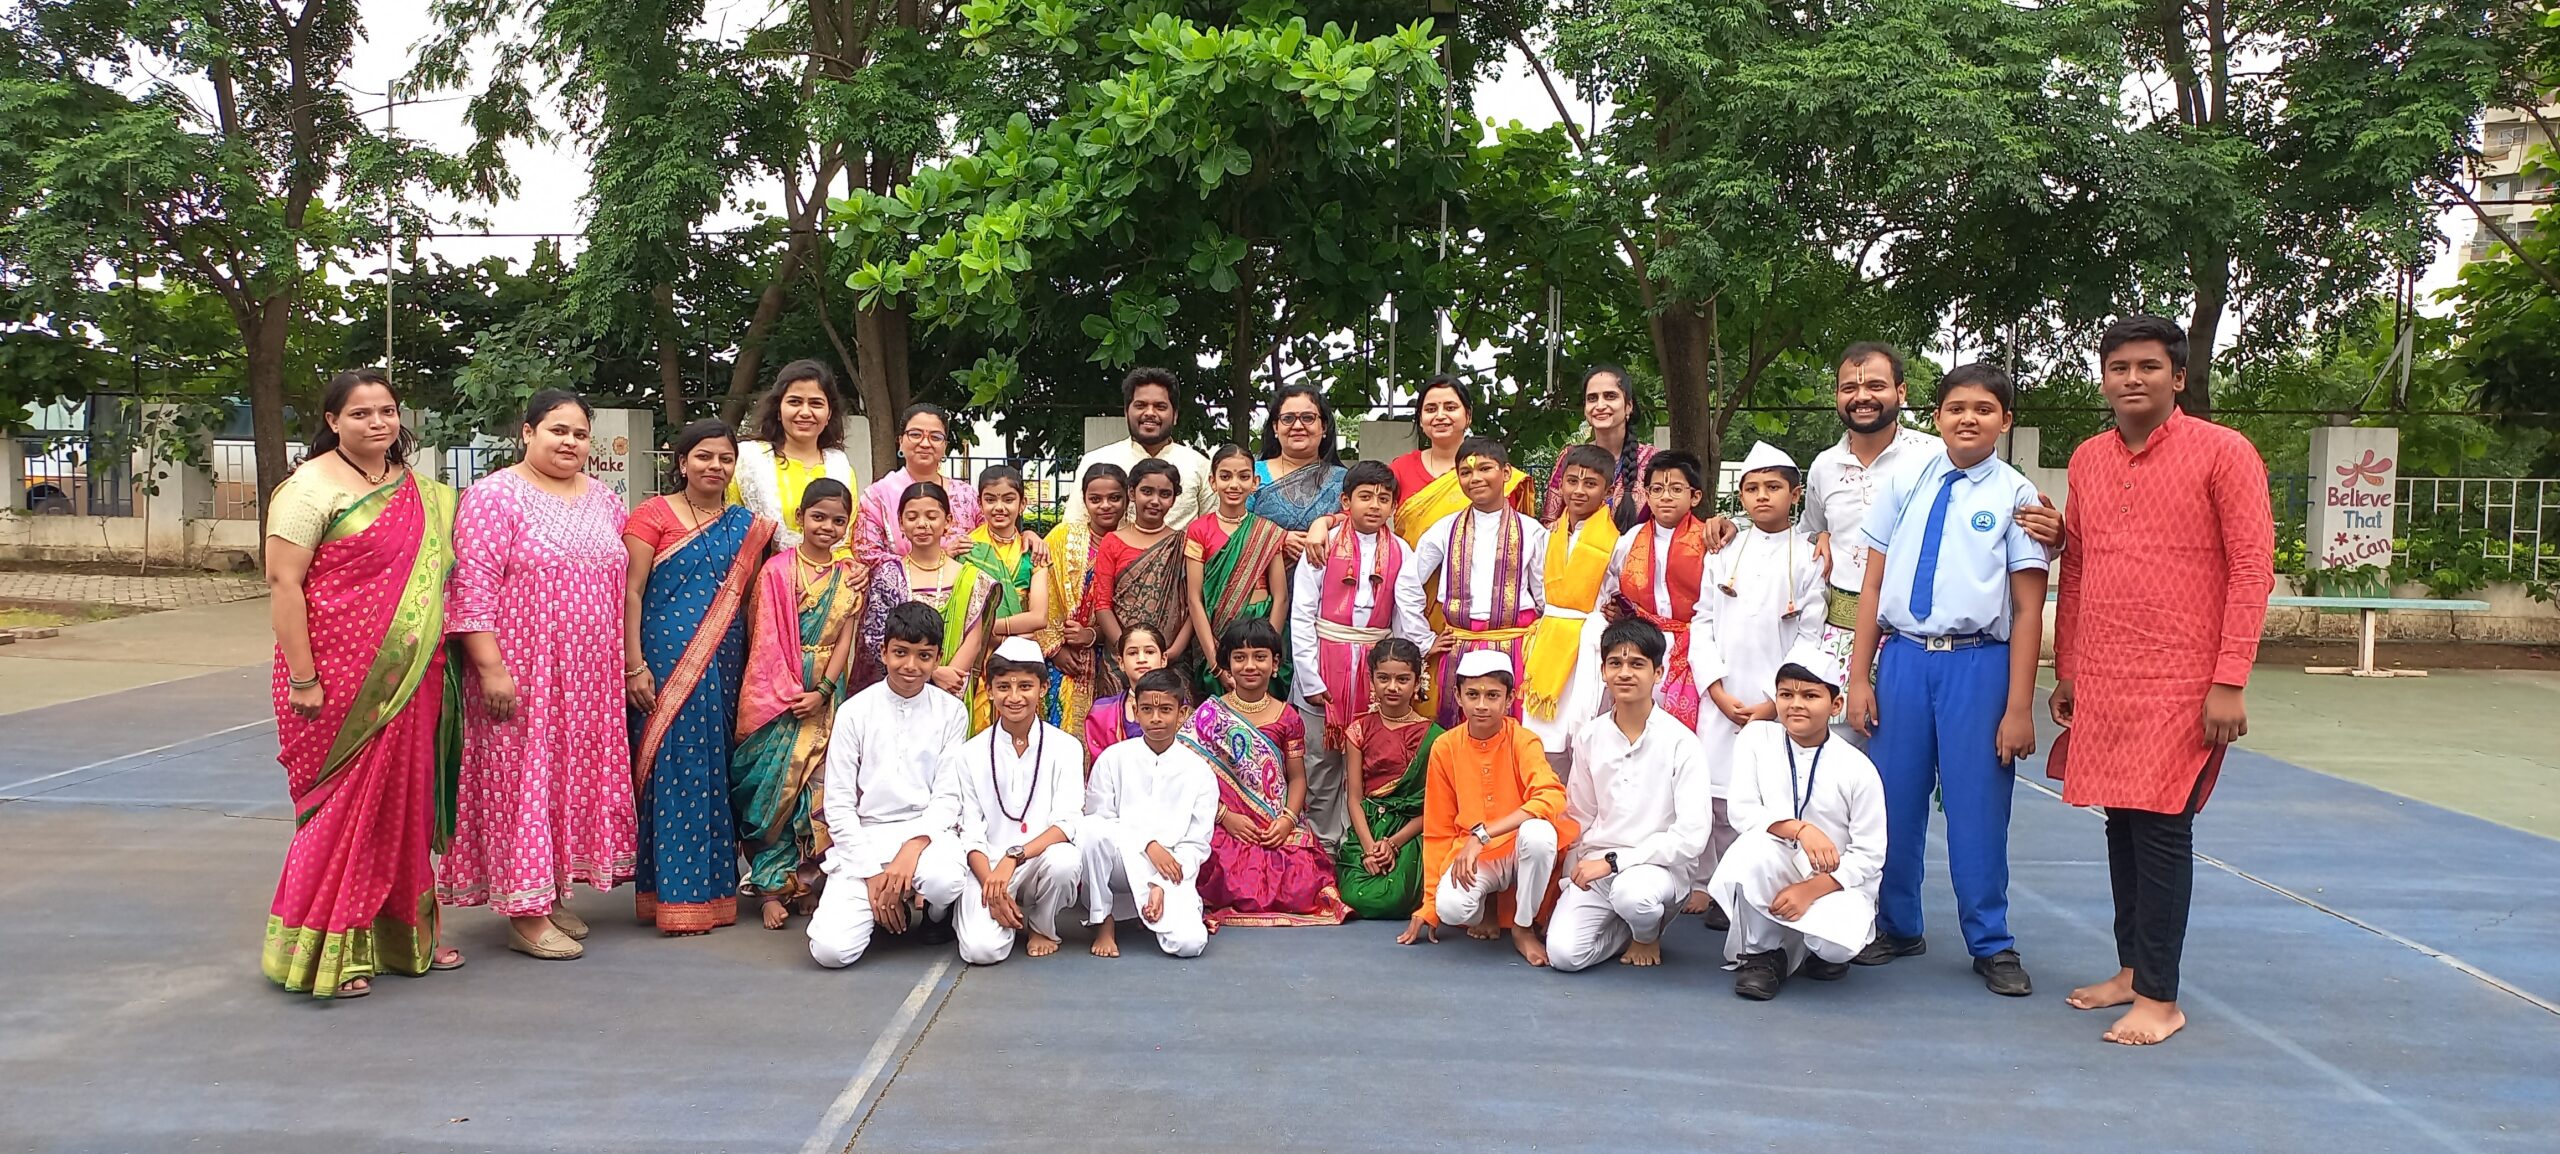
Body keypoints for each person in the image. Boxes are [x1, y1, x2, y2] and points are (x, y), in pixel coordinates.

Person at [2053, 315, 2275, 1046]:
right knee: (2120, 823)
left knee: (2161, 829)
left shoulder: (2224, 452)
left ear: (2178, 378)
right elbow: (2077, 567)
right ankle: (2131, 970)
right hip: (2107, 673)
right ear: (2104, 379)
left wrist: (2229, 678)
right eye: (2119, 367)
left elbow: (2252, 569)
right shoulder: (2088, 459)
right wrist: (2070, 666)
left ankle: (2160, 997)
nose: (2133, 379)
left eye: (2148, 367)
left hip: (2184, 678)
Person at [1846, 363, 2051, 997]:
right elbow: (1872, 586)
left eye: (1984, 409)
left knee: (1977, 805)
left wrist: (2019, 707)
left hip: (1977, 664)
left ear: (2005, 421)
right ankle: (1896, 922)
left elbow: (2027, 609)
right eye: (1956, 407)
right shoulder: (1905, 481)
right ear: (1935, 417)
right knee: (1892, 800)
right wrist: (1860, 677)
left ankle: (1991, 940)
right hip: (1904, 658)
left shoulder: (2017, 496)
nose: (1968, 419)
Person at [260, 368, 463, 997]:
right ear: (332, 421)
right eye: (360, 413)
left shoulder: (423, 493)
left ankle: (405, 939)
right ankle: (327, 948)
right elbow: (283, 584)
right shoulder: (309, 489)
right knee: (341, 810)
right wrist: (303, 677)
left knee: (404, 804)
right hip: (334, 677)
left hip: (415, 676)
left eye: (387, 411)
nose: (378, 423)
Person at [441, 390, 634, 961]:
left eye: (580, 434)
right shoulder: (493, 497)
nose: (570, 442)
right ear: (527, 432)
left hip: (589, 678)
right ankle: (524, 914)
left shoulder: (604, 500)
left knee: (565, 782)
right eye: (557, 430)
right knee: (522, 781)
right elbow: (471, 587)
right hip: (522, 671)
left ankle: (547, 890)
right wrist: (490, 668)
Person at [622, 420, 776, 935]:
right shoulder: (652, 514)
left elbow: (753, 601)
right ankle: (672, 896)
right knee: (673, 769)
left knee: (714, 769)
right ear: (682, 461)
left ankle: (714, 893)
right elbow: (632, 592)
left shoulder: (747, 525)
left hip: (726, 662)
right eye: (704, 456)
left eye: (725, 459)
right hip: (664, 659)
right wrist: (634, 664)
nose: (715, 466)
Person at [1707, 642, 1888, 1000]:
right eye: (1786, 694)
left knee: (1835, 946)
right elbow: (1742, 811)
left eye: (1810, 695)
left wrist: (1811, 889)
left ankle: (1813, 947)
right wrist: (1800, 829)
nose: (1796, 704)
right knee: (1751, 850)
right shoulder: (1757, 738)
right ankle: (1762, 954)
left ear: (1835, 704)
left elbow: (1870, 854)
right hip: (1777, 865)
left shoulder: (1858, 767)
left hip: (1833, 880)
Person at [1691, 442, 1827, 915]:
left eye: (1773, 487)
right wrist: (1715, 688)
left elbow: (1811, 634)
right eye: (1752, 488)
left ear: (1796, 495)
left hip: (1776, 702)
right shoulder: (1723, 552)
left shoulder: (1809, 557)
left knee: (1767, 795)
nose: (1762, 496)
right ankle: (1713, 885)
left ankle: (1757, 889)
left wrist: (1775, 702)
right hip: (1723, 694)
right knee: (1715, 797)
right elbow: (1702, 620)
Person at [729, 479, 866, 930]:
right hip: (778, 695)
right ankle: (771, 888)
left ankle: (807, 884)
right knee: (773, 793)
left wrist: (823, 691)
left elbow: (846, 638)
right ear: (800, 517)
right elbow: (764, 639)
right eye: (818, 517)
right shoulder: (776, 571)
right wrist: (792, 695)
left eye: (838, 520)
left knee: (819, 792)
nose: (827, 527)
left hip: (828, 693)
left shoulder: (850, 576)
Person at [808, 603, 972, 968]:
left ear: (937, 659)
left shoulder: (951, 712)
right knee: (831, 952)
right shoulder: (854, 711)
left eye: (924, 656)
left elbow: (948, 796)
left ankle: (937, 914)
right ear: (883, 652)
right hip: (866, 836)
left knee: (944, 880)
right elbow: (838, 805)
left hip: (927, 837)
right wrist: (872, 877)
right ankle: (884, 905)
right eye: (901, 653)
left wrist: (912, 848)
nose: (911, 666)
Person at [1546, 618, 1711, 974]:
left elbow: (1692, 836)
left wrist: (1616, 862)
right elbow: (1579, 815)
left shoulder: (1682, 743)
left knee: (1634, 896)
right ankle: (1626, 929)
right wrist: (1570, 875)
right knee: (1563, 955)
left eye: (1637, 664)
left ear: (1658, 672)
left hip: (1656, 871)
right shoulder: (1590, 737)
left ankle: (1647, 933)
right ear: (1603, 672)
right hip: (1598, 867)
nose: (1624, 673)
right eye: (1615, 663)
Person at [1397, 650, 1578, 967]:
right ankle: (1488, 905)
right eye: (1473, 695)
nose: (1482, 705)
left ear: (1509, 699)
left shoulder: (1524, 740)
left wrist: (1482, 835)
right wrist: (1429, 905)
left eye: (1492, 695)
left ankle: (1523, 927)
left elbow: (1551, 796)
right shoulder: (1445, 747)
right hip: (1475, 857)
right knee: (1450, 908)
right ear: (1458, 696)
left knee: (1539, 834)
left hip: (1517, 848)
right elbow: (1438, 830)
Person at [1288, 460, 1429, 845]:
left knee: (1367, 763)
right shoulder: (1324, 543)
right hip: (1325, 660)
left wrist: (1419, 656)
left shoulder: (1400, 551)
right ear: (1345, 502)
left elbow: (1406, 613)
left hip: (1374, 669)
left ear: (1394, 506)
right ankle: (1321, 844)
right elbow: (1302, 612)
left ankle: (1357, 844)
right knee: (1321, 762)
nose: (1374, 506)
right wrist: (1309, 677)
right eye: (1365, 497)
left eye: (1384, 499)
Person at [1189, 618, 1350, 927]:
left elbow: (1297, 778)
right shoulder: (1209, 715)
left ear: (1275, 664)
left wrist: (1287, 820)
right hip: (1226, 822)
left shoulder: (1287, 717)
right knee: (1226, 872)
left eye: (1260, 657)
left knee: (1302, 881)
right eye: (1240, 657)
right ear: (1227, 664)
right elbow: (1189, 780)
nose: (1250, 666)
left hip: (1276, 819)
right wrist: (1225, 816)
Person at [1798, 343, 1940, 692]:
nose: (1861, 397)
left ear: (1901, 392)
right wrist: (1819, 537)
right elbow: (1808, 534)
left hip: (1915, 639)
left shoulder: (1936, 458)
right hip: (1838, 637)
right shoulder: (1824, 466)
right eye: (1849, 388)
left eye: (1875, 386)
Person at [947, 638, 1087, 964]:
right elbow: (970, 831)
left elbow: (1067, 823)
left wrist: (1015, 857)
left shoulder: (1066, 747)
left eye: (1025, 686)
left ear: (1043, 688)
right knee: (980, 951)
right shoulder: (970, 753)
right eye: (1003, 687)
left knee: (1065, 861)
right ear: (989, 690)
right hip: (987, 865)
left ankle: (1042, 926)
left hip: (1037, 860)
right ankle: (994, 911)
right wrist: (991, 885)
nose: (1014, 697)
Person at [1402, 437, 1549, 728]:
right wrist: (1423, 639)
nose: (1475, 478)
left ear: (1506, 473)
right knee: (1458, 728)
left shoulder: (1532, 532)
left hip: (1515, 647)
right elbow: (1408, 582)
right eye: (1466, 472)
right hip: (1460, 646)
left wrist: (1541, 643)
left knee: (1512, 729)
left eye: (1485, 468)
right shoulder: (1445, 528)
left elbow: (1545, 595)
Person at [1082, 668, 1218, 959]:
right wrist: (1147, 844)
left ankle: (1160, 903)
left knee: (1190, 944)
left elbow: (1196, 843)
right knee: (1091, 832)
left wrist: (1161, 883)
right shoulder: (1113, 758)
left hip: (1172, 867)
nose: (1156, 718)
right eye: (1147, 709)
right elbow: (1098, 820)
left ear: (1182, 714)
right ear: (1136, 711)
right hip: (1118, 863)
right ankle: (1103, 922)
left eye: (1165, 710)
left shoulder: (1199, 771)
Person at [1602, 450, 1721, 732]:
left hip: (1695, 643)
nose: (1665, 497)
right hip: (1644, 642)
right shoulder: (1631, 539)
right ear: (1647, 494)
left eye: (1676, 489)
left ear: (1695, 496)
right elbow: (1609, 584)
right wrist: (1614, 609)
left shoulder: (1710, 539)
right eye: (1657, 489)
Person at [1523, 444, 1622, 776]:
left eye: (1590, 484)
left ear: (1608, 491)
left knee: (1586, 732)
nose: (1579, 491)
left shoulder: (1616, 541)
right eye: (1572, 481)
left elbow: (1619, 590)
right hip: (1549, 640)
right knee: (1543, 737)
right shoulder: (1547, 536)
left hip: (1590, 641)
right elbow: (1538, 587)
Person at [857, 482, 994, 704]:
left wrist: (949, 679)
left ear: (947, 521)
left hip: (954, 689)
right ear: (900, 523)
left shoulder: (969, 577)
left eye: (931, 516)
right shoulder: (889, 575)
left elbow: (974, 638)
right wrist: (933, 673)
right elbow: (875, 637)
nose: (922, 524)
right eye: (912, 517)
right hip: (901, 687)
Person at [1332, 639, 1437, 920]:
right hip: (1368, 825)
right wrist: (1370, 848)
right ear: (1372, 681)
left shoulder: (1435, 737)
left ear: (1417, 682)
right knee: (1354, 894)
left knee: (1396, 895)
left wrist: (1393, 844)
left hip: (1411, 829)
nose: (1392, 687)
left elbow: (1435, 807)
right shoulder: (1359, 730)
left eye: (1402, 679)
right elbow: (1354, 798)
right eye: (1384, 678)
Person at [1185, 445, 1293, 697]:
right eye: (1225, 476)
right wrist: (1215, 663)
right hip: (1216, 634)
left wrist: (1267, 653)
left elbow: (1280, 598)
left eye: (1243, 477)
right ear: (1212, 482)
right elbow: (1194, 599)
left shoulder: (1267, 531)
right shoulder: (1199, 530)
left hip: (1261, 628)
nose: (1234, 484)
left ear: (1255, 482)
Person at [1387, 375, 1534, 547]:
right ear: (1420, 419)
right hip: (1414, 564)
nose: (1440, 416)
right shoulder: (1401, 469)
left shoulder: (1497, 474)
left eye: (1450, 408)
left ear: (1468, 416)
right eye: (1431, 409)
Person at [729, 359, 859, 552]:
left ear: (829, 414)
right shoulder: (748, 460)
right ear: (778, 411)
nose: (805, 412)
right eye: (795, 402)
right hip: (761, 569)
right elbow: (731, 532)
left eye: (816, 403)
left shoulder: (840, 467)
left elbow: (849, 541)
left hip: (831, 569)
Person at [1063, 367, 1215, 529]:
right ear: (1126, 412)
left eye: (1160, 407)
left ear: (1175, 415)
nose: (1150, 413)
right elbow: (1073, 528)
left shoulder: (1199, 466)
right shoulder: (1095, 461)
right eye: (1140, 405)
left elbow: (1214, 531)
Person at [1091, 458, 1193, 694]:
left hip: (1171, 660)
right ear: (1131, 493)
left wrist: (1172, 652)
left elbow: (1192, 605)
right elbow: (1102, 605)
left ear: (1174, 499)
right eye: (1147, 491)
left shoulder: (1183, 543)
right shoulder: (1112, 542)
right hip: (1120, 661)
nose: (1155, 501)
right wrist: (1128, 651)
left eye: (1165, 494)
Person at [1038, 463, 1126, 733]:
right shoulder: (1062, 537)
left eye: (1114, 498)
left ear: (1128, 497)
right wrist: (1056, 649)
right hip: (1064, 658)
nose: (1105, 506)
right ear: (1084, 500)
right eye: (1095, 499)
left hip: (1115, 656)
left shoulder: (1133, 542)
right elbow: (1044, 592)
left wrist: (1094, 634)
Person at [964, 465, 1052, 731]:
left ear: (1022, 504)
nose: (999, 507)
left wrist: (990, 628)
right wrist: (1002, 632)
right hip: (976, 656)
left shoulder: (1034, 553)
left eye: (1009, 499)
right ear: (980, 502)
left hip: (1021, 654)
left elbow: (1039, 617)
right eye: (990, 499)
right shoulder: (967, 549)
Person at [852, 403, 980, 566]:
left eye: (935, 437)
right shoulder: (878, 496)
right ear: (900, 441)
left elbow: (990, 541)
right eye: (915, 434)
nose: (925, 443)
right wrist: (933, 560)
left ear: (945, 446)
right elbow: (866, 553)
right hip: (900, 581)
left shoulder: (966, 495)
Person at [1542, 365, 1658, 531]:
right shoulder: (1571, 456)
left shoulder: (1652, 461)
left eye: (1610, 396)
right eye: (1592, 398)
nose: (1600, 405)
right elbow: (1549, 523)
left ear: (1628, 406)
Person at [1249, 381, 1348, 556]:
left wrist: (1325, 522)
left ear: (1324, 427)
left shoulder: (1343, 480)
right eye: (1288, 418)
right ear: (1275, 427)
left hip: (1327, 572)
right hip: (1262, 572)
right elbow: (1230, 525)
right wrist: (1277, 539)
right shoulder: (1251, 474)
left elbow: (1363, 523)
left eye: (1308, 418)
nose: (1297, 426)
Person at [1082, 623, 1169, 765]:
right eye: (1133, 653)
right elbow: (1099, 767)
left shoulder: (1181, 711)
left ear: (1163, 659)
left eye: (1149, 652)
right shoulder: (1102, 713)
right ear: (1121, 662)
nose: (1141, 659)